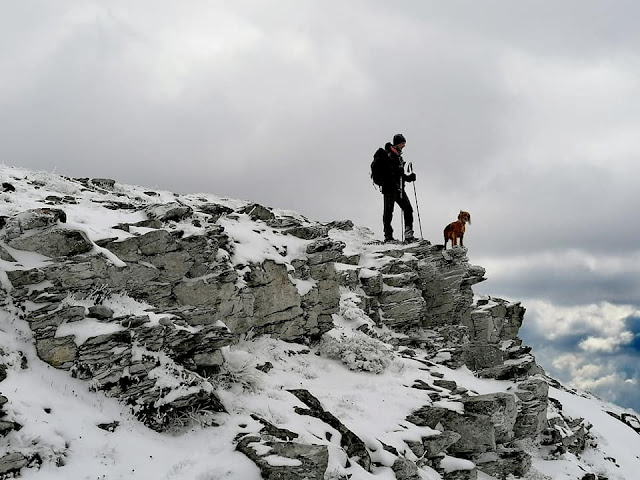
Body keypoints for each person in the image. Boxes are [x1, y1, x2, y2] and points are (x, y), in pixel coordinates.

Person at [373, 133, 416, 242]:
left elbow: (398, 174)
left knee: (407, 209)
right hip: (389, 188)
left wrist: (408, 178)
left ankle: (408, 235)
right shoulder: (387, 155)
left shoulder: (397, 156)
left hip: (399, 188)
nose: (404, 145)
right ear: (397, 143)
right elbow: (391, 172)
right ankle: (388, 237)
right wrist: (399, 173)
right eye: (402, 143)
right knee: (388, 212)